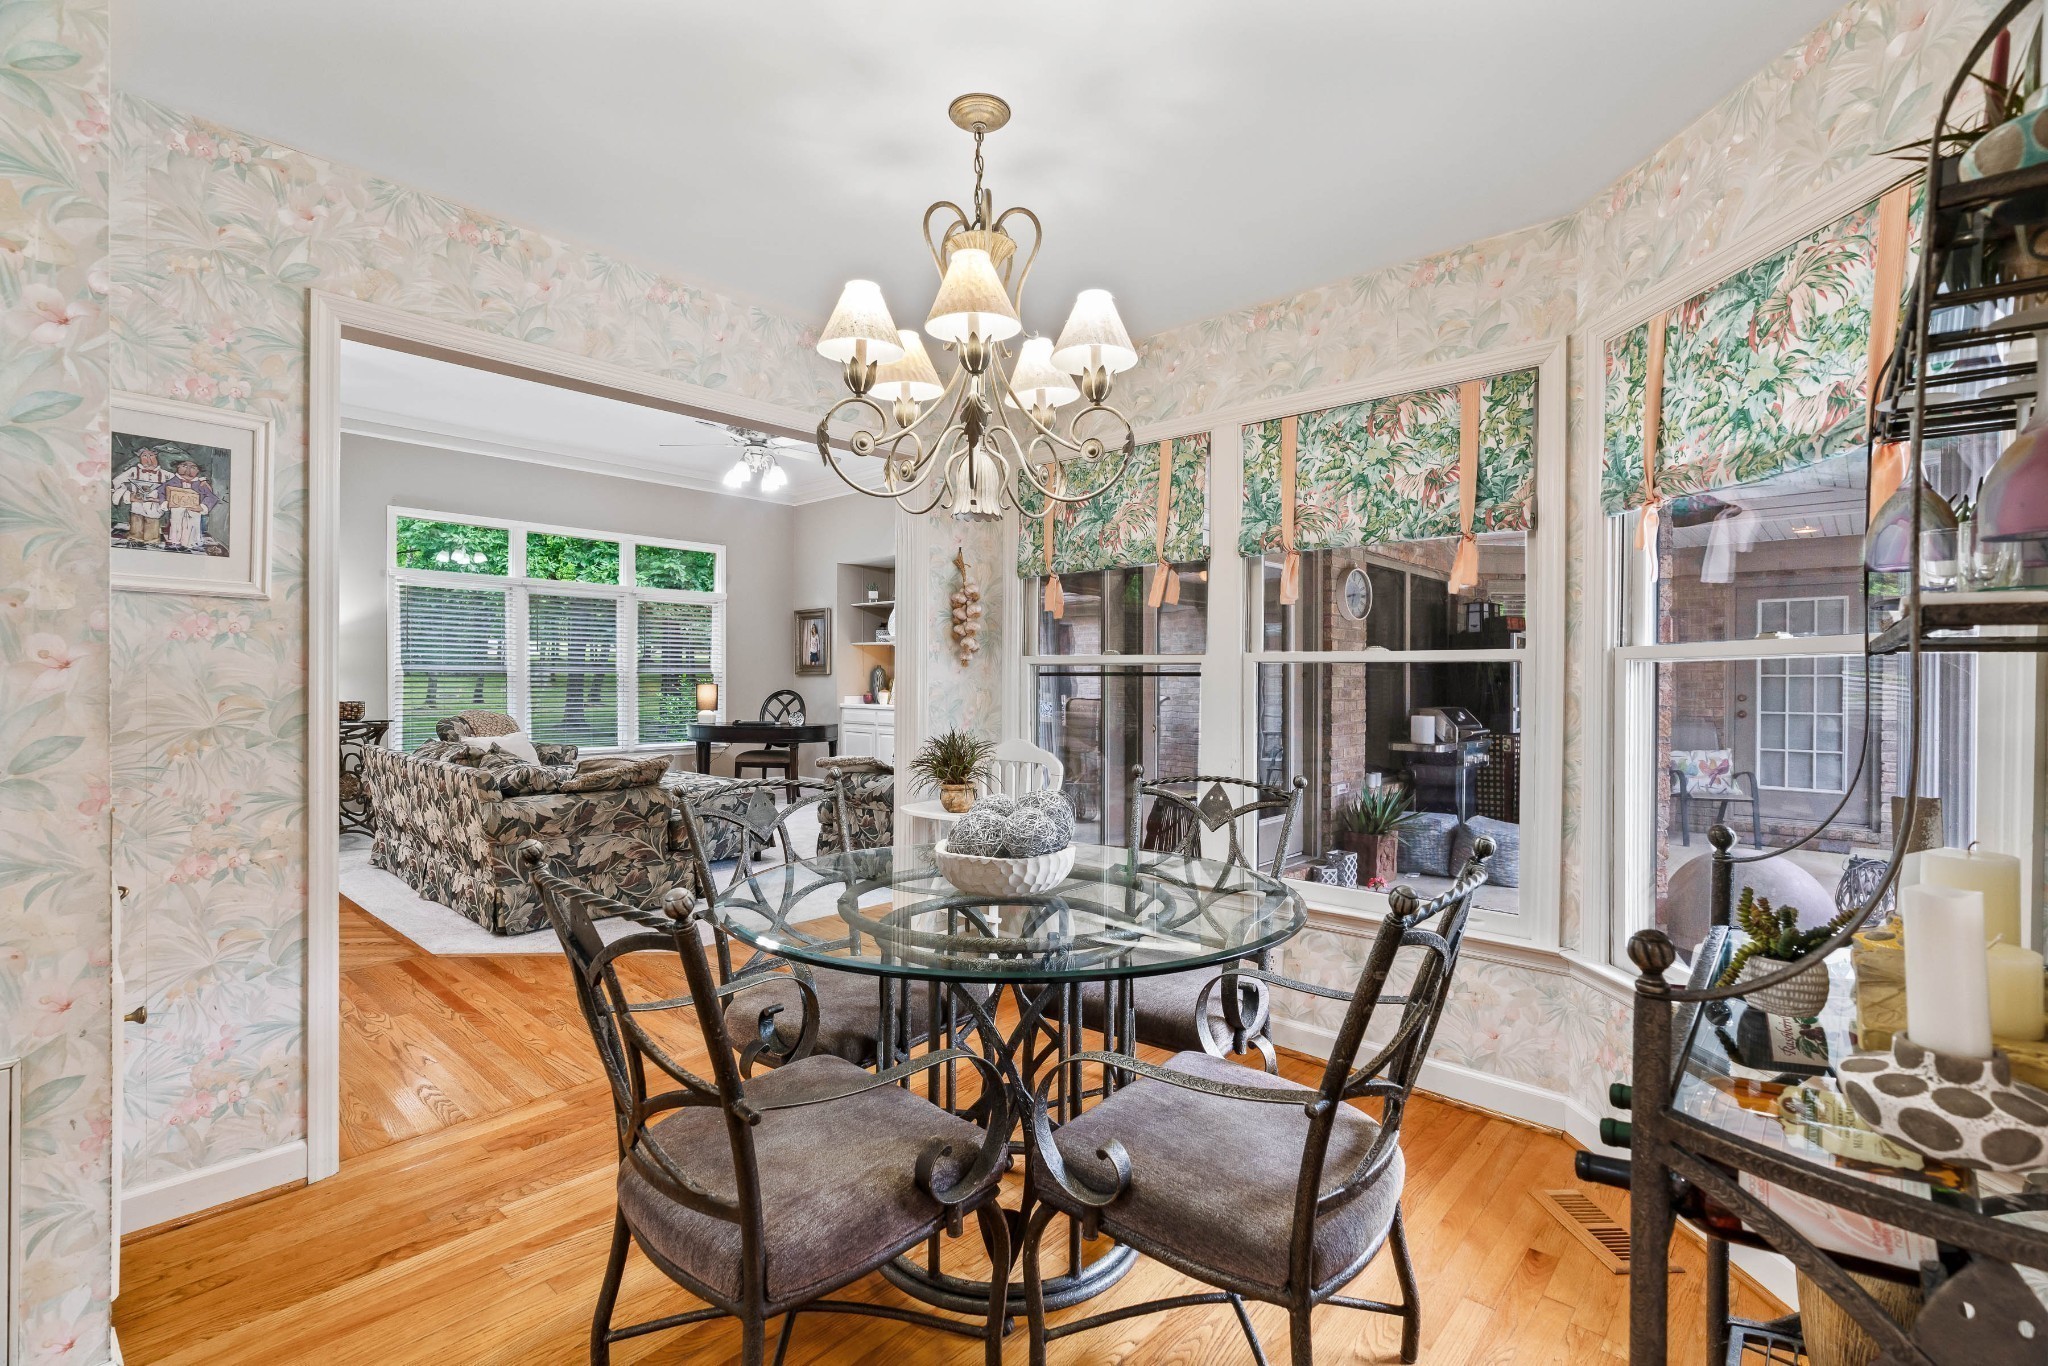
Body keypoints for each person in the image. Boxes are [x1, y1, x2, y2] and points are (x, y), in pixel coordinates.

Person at [112, 446, 171, 547]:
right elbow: (117, 482)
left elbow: (175, 487)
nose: (148, 459)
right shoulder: (133, 471)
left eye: (151, 455)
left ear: (156, 456)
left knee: (152, 524)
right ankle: (135, 539)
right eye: (144, 456)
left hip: (154, 506)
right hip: (137, 505)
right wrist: (129, 496)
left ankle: (152, 541)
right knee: (136, 523)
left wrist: (161, 499)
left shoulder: (165, 474)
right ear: (139, 457)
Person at [163, 458, 221, 553]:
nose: (188, 469)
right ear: (178, 467)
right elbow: (160, 492)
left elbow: (211, 497)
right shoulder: (172, 482)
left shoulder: (201, 484)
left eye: (193, 467)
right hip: (177, 509)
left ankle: (192, 543)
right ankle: (174, 542)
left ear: (198, 470)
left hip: (194, 510)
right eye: (184, 466)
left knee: (193, 526)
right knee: (176, 525)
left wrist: (202, 507)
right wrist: (166, 503)